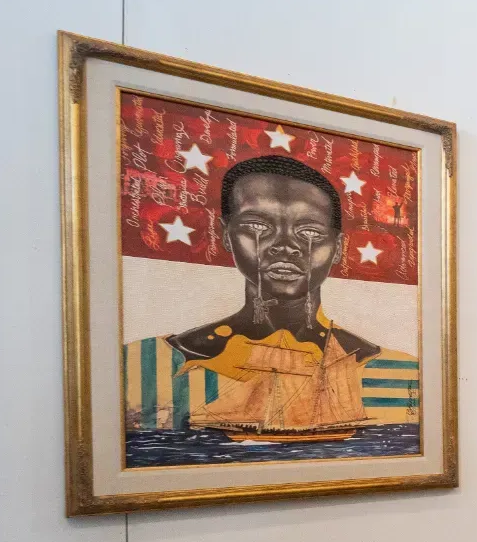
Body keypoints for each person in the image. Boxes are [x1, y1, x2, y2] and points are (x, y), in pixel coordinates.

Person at [133, 156, 417, 442]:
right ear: (226, 235)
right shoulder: (145, 362)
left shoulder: (404, 372)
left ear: (338, 248)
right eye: (257, 227)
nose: (285, 246)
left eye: (309, 232)